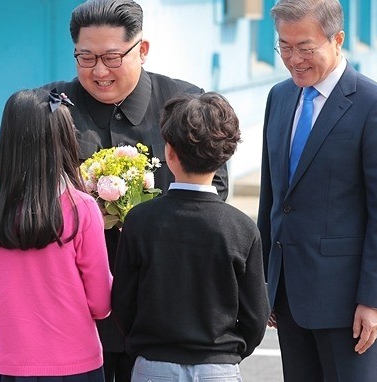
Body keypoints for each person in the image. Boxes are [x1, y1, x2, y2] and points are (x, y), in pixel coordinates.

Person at [0, 0, 229, 382]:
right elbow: (29, 172)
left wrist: (138, 219)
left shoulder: (184, 101)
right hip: (72, 318)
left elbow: (212, 192)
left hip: (161, 304)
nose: (99, 71)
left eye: (112, 57)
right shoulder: (50, 105)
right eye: (85, 57)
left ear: (143, 49)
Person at [257, 0, 377, 382]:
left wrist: (374, 301)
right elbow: (272, 197)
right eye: (284, 47)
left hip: (352, 306)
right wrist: (266, 282)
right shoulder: (280, 97)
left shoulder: (376, 106)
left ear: (337, 39)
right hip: (290, 297)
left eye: (305, 47)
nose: (294, 59)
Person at [112, 92, 270, 382]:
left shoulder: (140, 220)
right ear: (226, 155)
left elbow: (123, 302)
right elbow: (256, 317)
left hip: (155, 364)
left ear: (169, 152)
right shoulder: (242, 228)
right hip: (218, 367)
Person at [0, 88, 113, 382]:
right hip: (76, 363)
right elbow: (101, 302)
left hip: (8, 363)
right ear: (62, 141)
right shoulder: (81, 207)